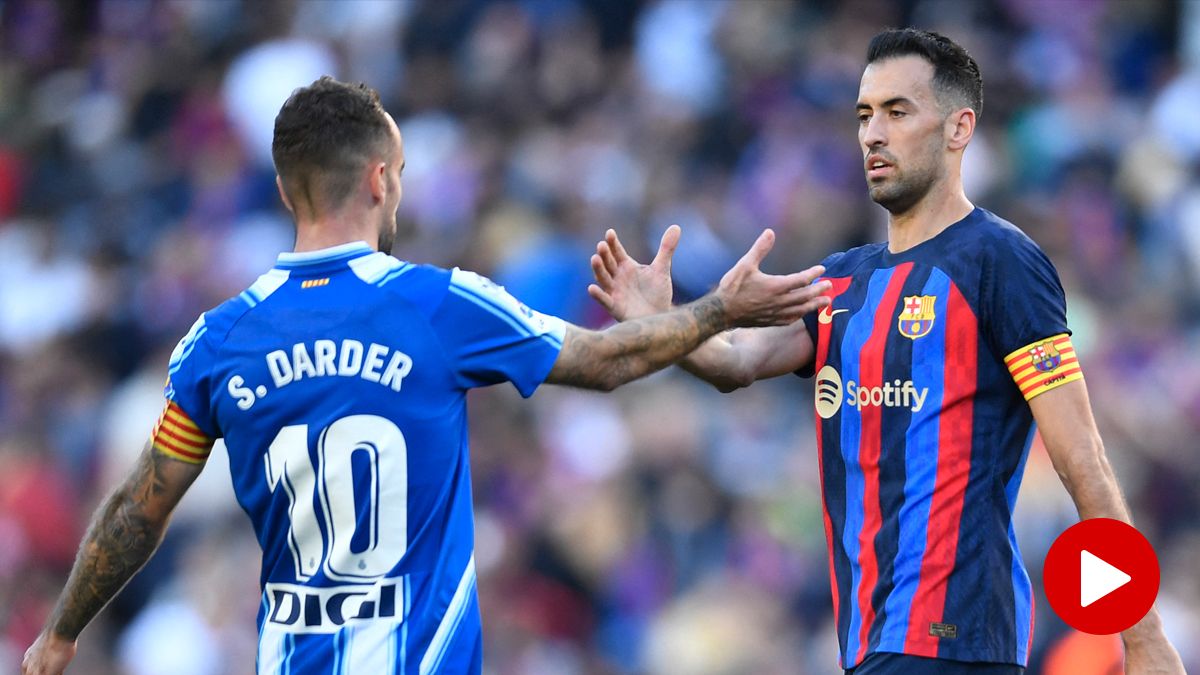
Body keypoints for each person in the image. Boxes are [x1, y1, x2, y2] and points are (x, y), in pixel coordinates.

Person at [21, 77, 832, 675]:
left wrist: (62, 630)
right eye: (399, 170)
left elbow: (139, 508)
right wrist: (715, 310)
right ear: (381, 179)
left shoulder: (214, 341)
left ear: (282, 188)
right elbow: (607, 362)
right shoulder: (438, 305)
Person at [588, 28, 1184, 675]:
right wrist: (663, 321)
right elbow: (733, 361)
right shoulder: (841, 281)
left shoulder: (1001, 262)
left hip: (955, 637)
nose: (873, 134)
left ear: (959, 129)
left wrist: (1141, 632)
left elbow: (1081, 459)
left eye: (898, 112)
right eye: (864, 115)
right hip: (869, 641)